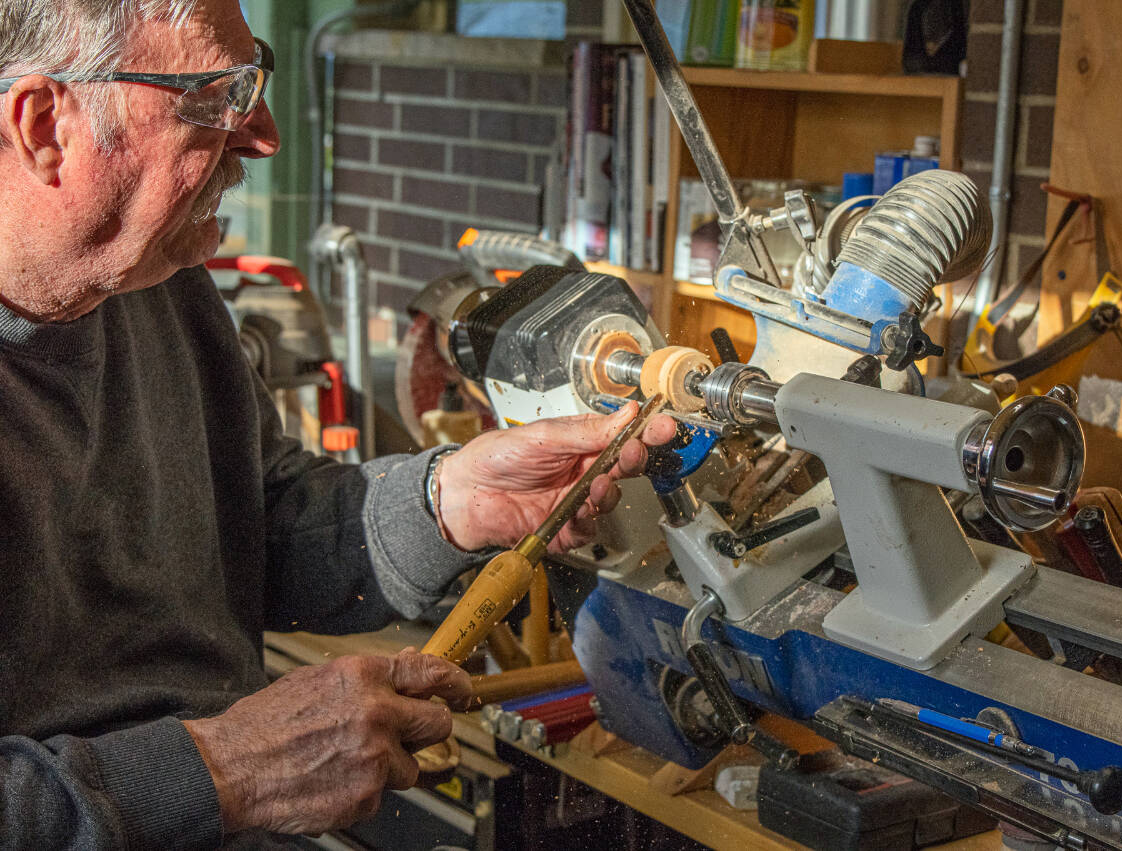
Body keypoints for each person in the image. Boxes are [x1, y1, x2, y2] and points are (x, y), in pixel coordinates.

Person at [0, 1, 676, 847]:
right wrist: (224, 767)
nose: (265, 135)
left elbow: (258, 527)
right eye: (214, 98)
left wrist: (451, 498)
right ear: (43, 126)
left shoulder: (161, 287)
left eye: (255, 80)